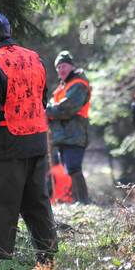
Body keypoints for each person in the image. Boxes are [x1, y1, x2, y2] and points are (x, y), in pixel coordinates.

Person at [0, 12, 57, 270]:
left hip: (6, 143)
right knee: (36, 201)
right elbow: (42, 99)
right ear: (8, 33)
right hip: (37, 139)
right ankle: (47, 257)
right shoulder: (34, 59)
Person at [45, 50, 91, 203]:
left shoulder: (78, 85)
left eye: (64, 66)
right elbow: (56, 107)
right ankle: (76, 200)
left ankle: (83, 201)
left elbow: (68, 108)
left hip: (75, 134)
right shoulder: (62, 87)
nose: (61, 69)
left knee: (73, 168)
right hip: (63, 136)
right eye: (58, 67)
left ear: (72, 67)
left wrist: (47, 111)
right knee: (69, 169)